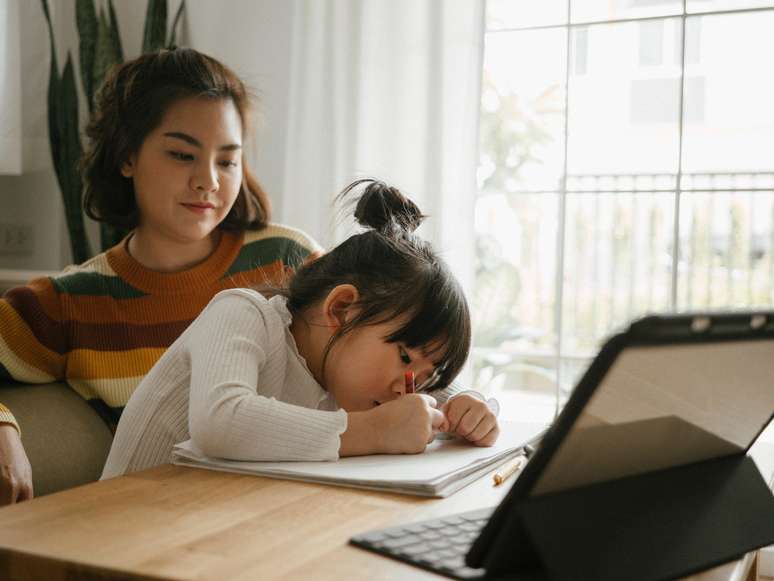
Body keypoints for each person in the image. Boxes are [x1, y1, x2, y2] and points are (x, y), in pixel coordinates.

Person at [0, 48, 322, 504]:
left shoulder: (286, 258)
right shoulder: (72, 301)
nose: (208, 179)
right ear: (127, 156)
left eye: (227, 160)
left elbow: (380, 345)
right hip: (159, 533)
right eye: (181, 154)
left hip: (298, 507)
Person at [101, 180, 499, 478]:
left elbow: (438, 396)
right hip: (117, 533)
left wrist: (471, 407)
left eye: (425, 375)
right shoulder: (242, 314)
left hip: (208, 523)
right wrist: (374, 431)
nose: (407, 387)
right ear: (341, 310)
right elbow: (220, 423)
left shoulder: (343, 372)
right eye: (405, 357)